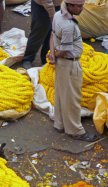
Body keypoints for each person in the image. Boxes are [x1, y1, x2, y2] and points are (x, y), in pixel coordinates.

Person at [48, 0, 98, 142]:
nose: (82, 9)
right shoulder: (68, 26)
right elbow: (64, 51)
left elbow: (52, 35)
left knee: (61, 94)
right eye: (79, 6)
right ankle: (75, 131)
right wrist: (55, 55)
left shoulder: (58, 15)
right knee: (72, 99)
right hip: (70, 64)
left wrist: (51, 53)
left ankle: (60, 124)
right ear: (70, 6)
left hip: (61, 64)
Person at [22, 0, 61, 69]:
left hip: (58, 4)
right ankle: (28, 59)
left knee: (51, 33)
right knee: (38, 32)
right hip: (41, 5)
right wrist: (53, 16)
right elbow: (47, 1)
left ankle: (46, 58)